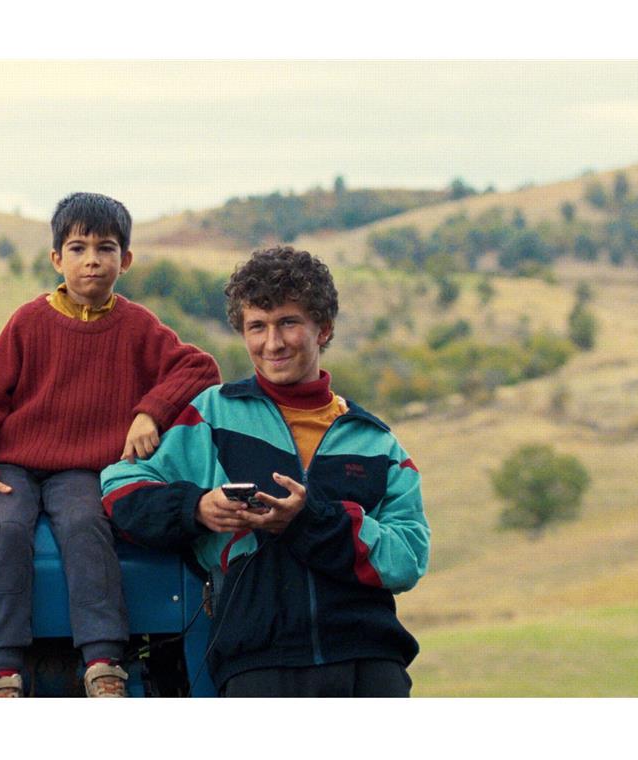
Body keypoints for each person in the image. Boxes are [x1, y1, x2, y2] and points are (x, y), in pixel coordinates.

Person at [101, 246, 430, 697]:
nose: (272, 343)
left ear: (324, 329)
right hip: (255, 666)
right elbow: (120, 487)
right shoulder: (212, 416)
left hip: (370, 667)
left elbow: (408, 558)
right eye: (257, 326)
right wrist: (197, 508)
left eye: (288, 323)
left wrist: (307, 519)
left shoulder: (376, 443)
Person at [0, 192, 221, 697]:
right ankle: (1, 667)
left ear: (127, 259)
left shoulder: (138, 326)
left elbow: (200, 367)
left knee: (85, 524)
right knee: (5, 528)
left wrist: (150, 411)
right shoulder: (29, 322)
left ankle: (102, 662)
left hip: (82, 470)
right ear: (57, 259)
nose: (92, 260)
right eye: (77, 249)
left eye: (106, 248)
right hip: (14, 463)